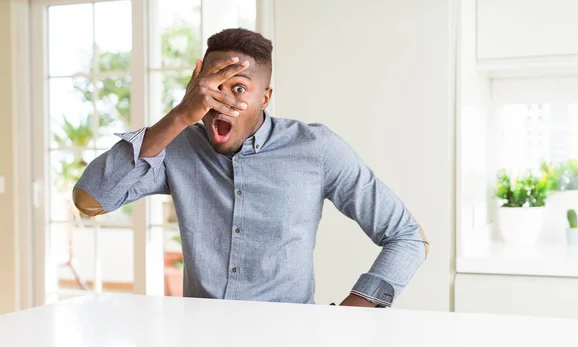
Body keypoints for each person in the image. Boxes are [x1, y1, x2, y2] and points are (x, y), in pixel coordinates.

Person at [74, 28, 429, 308]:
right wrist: (180, 115)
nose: (221, 101)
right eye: (211, 86)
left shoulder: (316, 148)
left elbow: (407, 237)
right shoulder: (176, 145)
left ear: (265, 97)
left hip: (290, 346)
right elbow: (90, 199)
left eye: (238, 89)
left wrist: (353, 312)